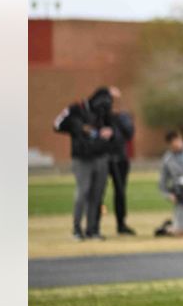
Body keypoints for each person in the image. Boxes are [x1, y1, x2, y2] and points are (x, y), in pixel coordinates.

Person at [52, 86, 116, 241]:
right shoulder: (76, 109)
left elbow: (112, 129)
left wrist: (109, 132)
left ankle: (93, 230)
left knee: (97, 194)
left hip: (100, 156)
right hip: (82, 158)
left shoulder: (104, 112)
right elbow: (57, 124)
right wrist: (78, 128)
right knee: (83, 192)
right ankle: (76, 229)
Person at [107, 100, 137, 236]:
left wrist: (117, 118)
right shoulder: (99, 117)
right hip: (103, 157)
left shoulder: (122, 117)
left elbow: (129, 133)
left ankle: (121, 224)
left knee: (120, 191)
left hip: (120, 158)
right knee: (97, 192)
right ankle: (92, 225)